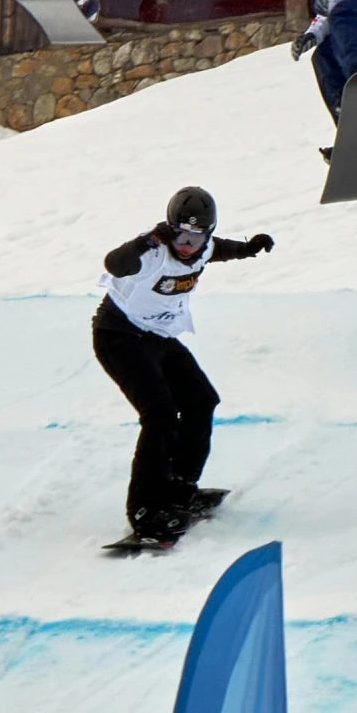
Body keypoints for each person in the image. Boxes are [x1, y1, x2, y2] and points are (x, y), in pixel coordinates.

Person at [94, 187, 274, 543]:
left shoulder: (203, 246)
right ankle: (144, 510)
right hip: (120, 337)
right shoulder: (152, 253)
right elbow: (114, 264)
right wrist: (145, 241)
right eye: (180, 234)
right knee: (159, 414)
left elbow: (217, 249)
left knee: (201, 400)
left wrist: (248, 249)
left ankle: (180, 488)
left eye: (196, 236)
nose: (188, 244)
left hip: (158, 338)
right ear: (168, 228)